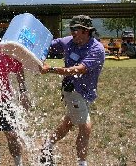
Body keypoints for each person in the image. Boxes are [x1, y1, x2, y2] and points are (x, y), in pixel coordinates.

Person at [38, 15, 105, 166]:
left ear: (86, 31)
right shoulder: (68, 41)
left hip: (86, 92)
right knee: (85, 127)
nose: (72, 32)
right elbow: (47, 44)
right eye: (71, 28)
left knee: (68, 123)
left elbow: (79, 70)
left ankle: (47, 146)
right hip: (73, 91)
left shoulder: (96, 49)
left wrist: (51, 69)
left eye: (76, 29)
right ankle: (82, 163)